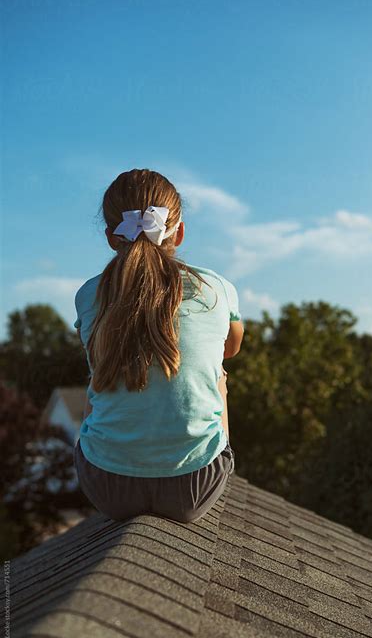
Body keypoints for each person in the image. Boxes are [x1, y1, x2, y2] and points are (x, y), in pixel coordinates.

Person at [72, 168, 244, 524]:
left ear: (110, 237)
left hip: (107, 485)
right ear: (178, 232)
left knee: (99, 371)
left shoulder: (89, 295)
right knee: (220, 375)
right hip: (191, 487)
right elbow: (230, 348)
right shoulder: (216, 288)